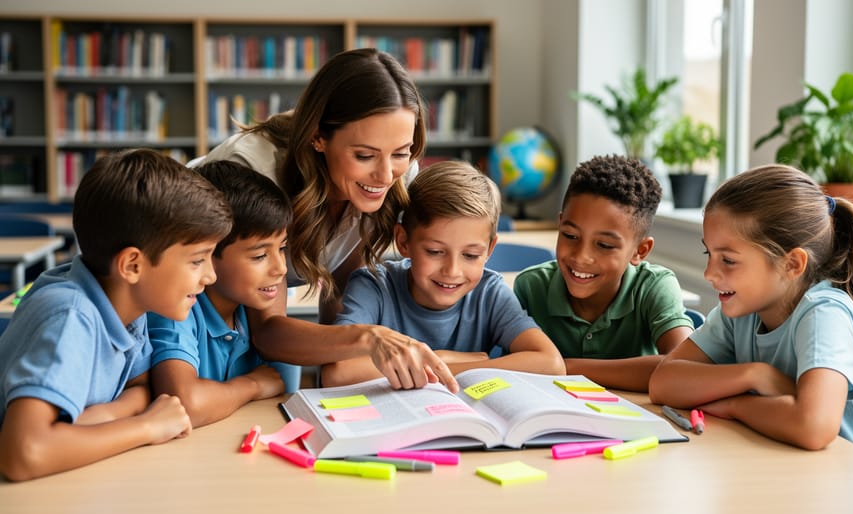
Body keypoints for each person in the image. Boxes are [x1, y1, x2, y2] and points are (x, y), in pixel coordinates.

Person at [202, 47, 456, 392]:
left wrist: (340, 388)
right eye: (364, 155)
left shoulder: (393, 176)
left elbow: (340, 290)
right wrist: (368, 337)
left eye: (401, 152)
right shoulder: (256, 171)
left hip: (265, 318)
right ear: (318, 137)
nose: (385, 175)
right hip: (201, 319)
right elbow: (267, 330)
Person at [0, 149, 233, 481]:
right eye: (198, 260)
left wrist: (99, 417)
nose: (210, 276)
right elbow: (24, 453)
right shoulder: (72, 316)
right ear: (132, 265)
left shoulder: (126, 304)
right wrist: (146, 426)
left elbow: (142, 388)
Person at [648, 164, 853, 464]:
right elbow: (663, 382)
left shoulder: (825, 314)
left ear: (792, 264)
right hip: (793, 469)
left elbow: (814, 427)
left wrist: (736, 406)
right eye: (709, 254)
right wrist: (755, 375)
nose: (709, 273)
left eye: (728, 260)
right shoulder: (742, 310)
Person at [320, 161, 565, 386]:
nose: (452, 271)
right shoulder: (374, 286)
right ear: (404, 242)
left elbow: (551, 364)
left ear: (490, 249)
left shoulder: (489, 293)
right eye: (435, 252)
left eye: (470, 255)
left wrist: (443, 365)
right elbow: (338, 372)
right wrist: (442, 359)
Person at [514, 155, 694, 392]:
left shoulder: (653, 287)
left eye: (605, 245)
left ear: (640, 251)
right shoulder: (531, 287)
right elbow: (511, 368)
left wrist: (563, 366)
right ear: (560, 225)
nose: (581, 257)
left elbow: (685, 367)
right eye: (570, 236)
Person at [147, 161, 292, 428]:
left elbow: (283, 398)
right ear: (207, 254)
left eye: (282, 248)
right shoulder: (176, 307)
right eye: (260, 255)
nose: (281, 268)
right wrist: (253, 385)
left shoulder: (258, 308)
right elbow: (185, 403)